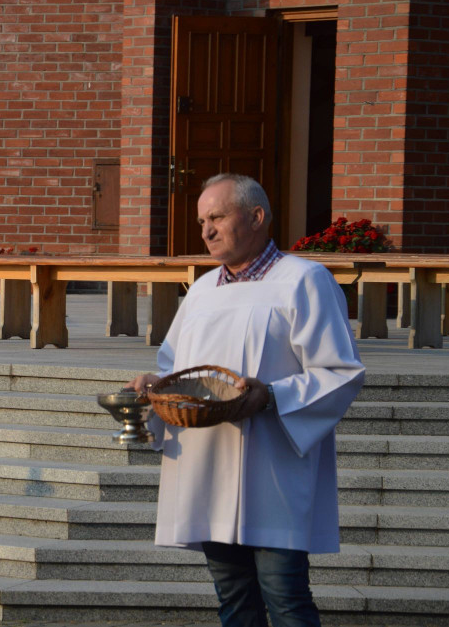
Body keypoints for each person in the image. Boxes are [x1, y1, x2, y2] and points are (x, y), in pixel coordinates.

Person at [127, 173, 365, 627]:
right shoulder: (201, 291)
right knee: (233, 601)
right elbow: (176, 368)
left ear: (256, 217)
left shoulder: (304, 281)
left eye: (217, 217)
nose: (206, 232)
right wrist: (155, 386)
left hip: (272, 468)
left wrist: (271, 396)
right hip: (207, 465)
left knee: (286, 598)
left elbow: (339, 371)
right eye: (202, 222)